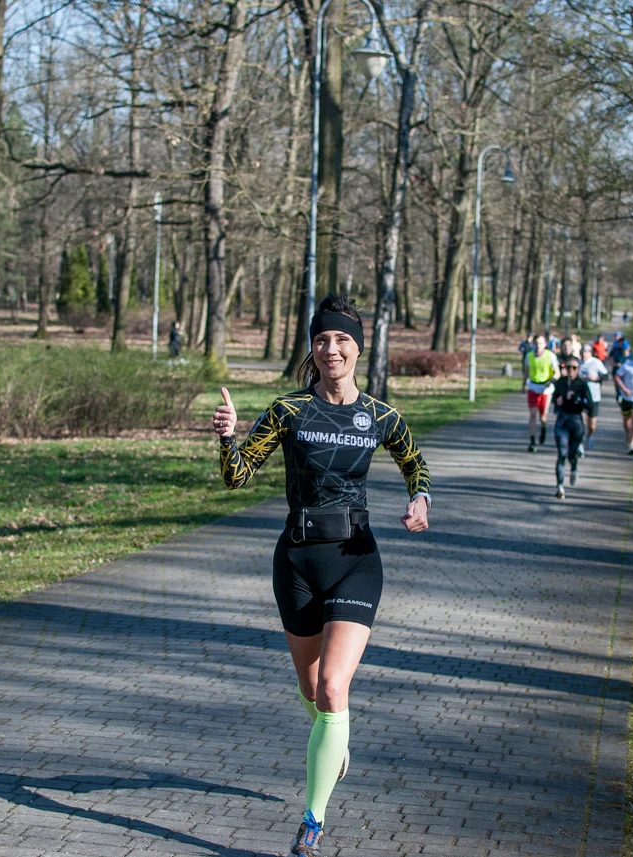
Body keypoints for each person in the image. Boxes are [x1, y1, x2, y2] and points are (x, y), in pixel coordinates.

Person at [215, 293, 431, 857]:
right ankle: (333, 740)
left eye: (341, 340)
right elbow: (237, 477)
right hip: (297, 564)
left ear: (357, 348)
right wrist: (226, 437)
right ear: (312, 349)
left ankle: (312, 822)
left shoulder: (382, 416)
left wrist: (421, 500)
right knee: (313, 693)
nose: (330, 349)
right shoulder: (289, 410)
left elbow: (415, 464)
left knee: (335, 687)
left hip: (356, 560)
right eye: (321, 340)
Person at [551, 356, 594, 499]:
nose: (570, 370)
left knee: (571, 454)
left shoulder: (581, 384)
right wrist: (557, 401)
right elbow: (554, 398)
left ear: (578, 369)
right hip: (562, 420)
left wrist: (577, 399)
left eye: (573, 368)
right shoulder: (560, 383)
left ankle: (574, 468)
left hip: (576, 421)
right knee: (561, 453)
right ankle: (560, 486)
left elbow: (590, 405)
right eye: (567, 367)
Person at [522, 334, 560, 453]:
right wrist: (523, 384)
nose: (538, 346)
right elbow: (526, 372)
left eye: (540, 343)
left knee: (543, 416)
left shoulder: (550, 356)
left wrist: (551, 381)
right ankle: (532, 441)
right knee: (533, 414)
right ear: (533, 344)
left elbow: (557, 373)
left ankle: (544, 427)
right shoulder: (529, 356)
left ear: (545, 344)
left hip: (545, 388)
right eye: (536, 343)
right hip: (533, 386)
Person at [579, 344, 609, 450]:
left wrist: (597, 377)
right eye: (582, 351)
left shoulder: (596, 362)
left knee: (592, 425)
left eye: (586, 351)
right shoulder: (577, 363)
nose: (584, 353)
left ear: (590, 352)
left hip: (594, 396)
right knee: (581, 421)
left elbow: (606, 375)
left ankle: (589, 436)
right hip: (581, 398)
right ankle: (580, 444)